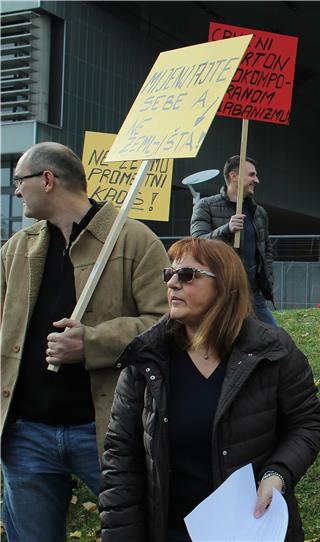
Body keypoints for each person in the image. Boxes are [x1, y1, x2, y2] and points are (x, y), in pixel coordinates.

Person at [99, 237, 320, 541]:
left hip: (251, 531)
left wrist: (277, 475)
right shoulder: (146, 359)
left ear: (225, 286)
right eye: (170, 274)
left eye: (188, 275)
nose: (173, 284)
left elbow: (306, 425)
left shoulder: (273, 351)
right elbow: (121, 459)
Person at [0, 142, 170, 542]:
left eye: (19, 181)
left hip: (106, 429)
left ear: (47, 180)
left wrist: (91, 343)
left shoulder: (133, 240)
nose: (16, 192)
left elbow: (168, 322)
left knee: (140, 532)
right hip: (26, 435)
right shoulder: (17, 250)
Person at [191, 155, 277, 326]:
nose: (257, 180)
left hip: (253, 295)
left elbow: (266, 251)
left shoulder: (258, 213)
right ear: (233, 176)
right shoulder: (205, 206)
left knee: (274, 338)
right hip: (220, 294)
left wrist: (267, 280)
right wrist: (227, 230)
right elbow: (197, 245)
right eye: (252, 175)